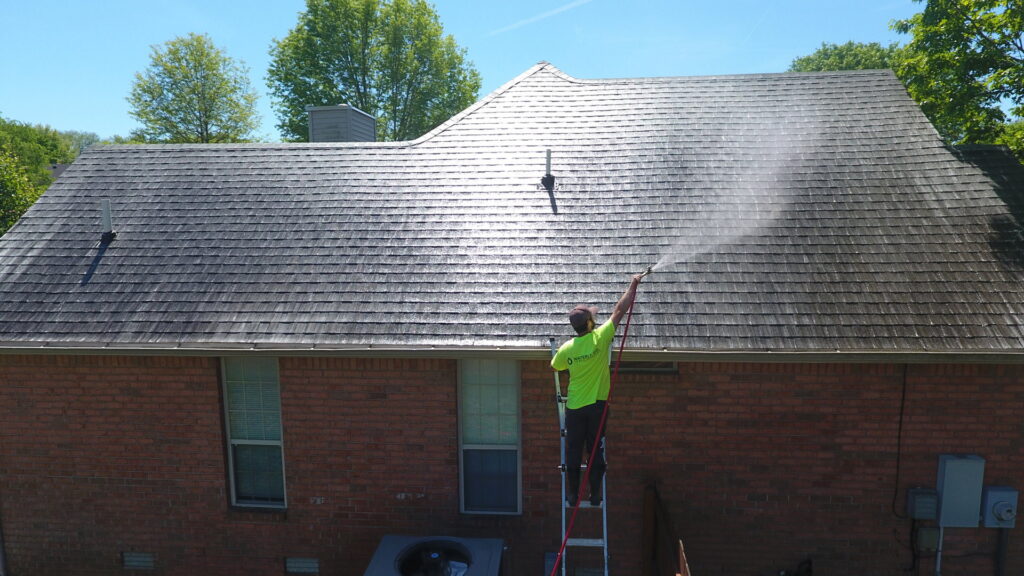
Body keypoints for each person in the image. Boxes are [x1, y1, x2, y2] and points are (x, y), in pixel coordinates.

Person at [551, 274, 643, 506]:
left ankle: (572, 495)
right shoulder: (601, 338)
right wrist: (632, 282)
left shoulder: (567, 348)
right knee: (595, 451)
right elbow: (620, 309)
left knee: (573, 451)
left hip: (574, 408)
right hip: (597, 408)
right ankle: (596, 495)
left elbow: (555, 365)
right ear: (590, 324)